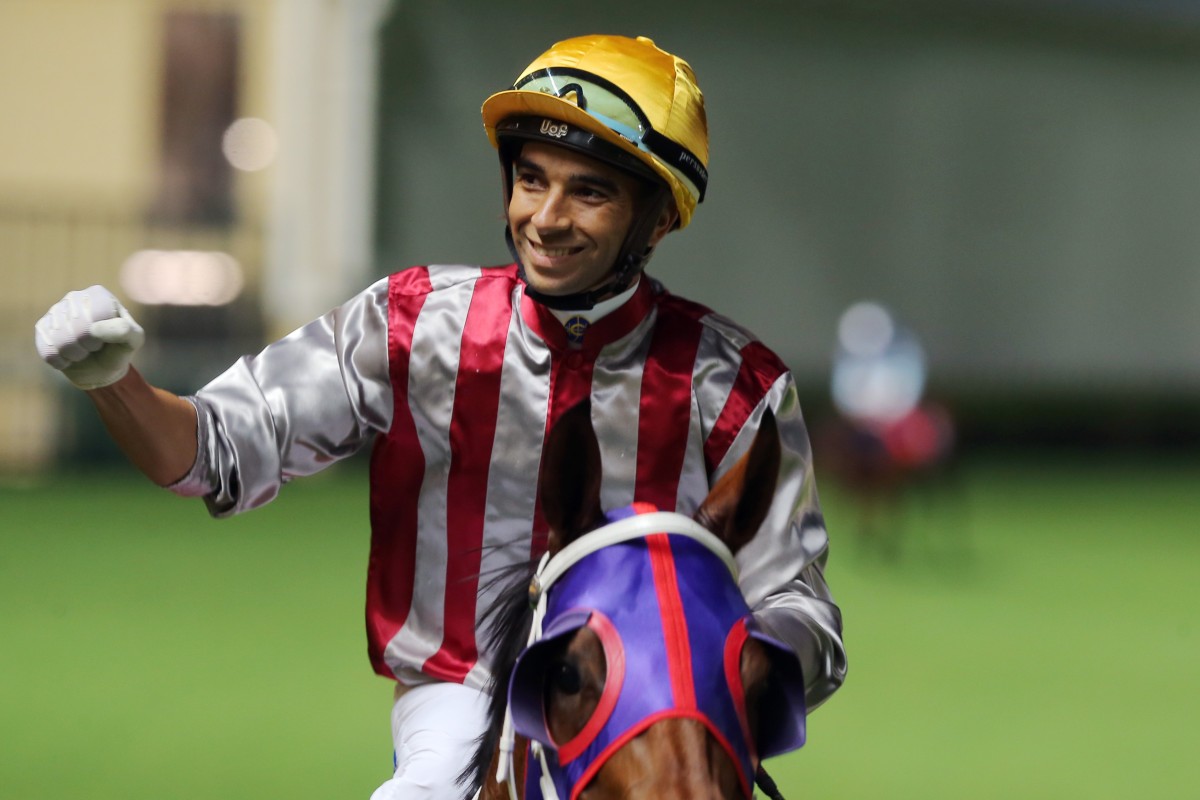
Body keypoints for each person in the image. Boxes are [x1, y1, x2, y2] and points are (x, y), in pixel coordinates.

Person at [35, 34, 847, 798]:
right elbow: (213, 452)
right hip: (457, 697)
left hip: (659, 715)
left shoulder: (735, 382)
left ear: (659, 218)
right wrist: (114, 382)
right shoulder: (411, 324)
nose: (547, 217)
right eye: (532, 179)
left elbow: (800, 608)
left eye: (590, 191)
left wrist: (719, 670)